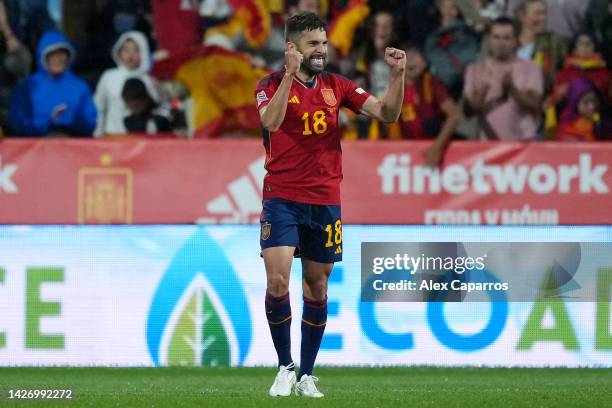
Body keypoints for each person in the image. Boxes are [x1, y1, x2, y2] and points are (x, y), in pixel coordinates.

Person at [254, 12, 405, 398]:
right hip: (281, 197)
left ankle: (306, 375)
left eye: (323, 43)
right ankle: (284, 367)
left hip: (324, 200)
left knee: (317, 288)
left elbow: (388, 114)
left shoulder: (337, 86)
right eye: (313, 44)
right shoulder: (268, 85)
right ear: (293, 48)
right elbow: (271, 123)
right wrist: (288, 76)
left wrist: (398, 75)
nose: (322, 50)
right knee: (277, 279)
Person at [463, 17, 544, 140]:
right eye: (496, 37)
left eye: (506, 38)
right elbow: (468, 112)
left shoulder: (530, 67)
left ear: (516, 40)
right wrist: (483, 92)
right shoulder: (474, 69)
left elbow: (535, 104)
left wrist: (512, 90)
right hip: (487, 143)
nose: (500, 43)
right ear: (489, 39)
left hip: (523, 144)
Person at [9, 30, 96, 137]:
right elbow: (18, 120)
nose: (58, 59)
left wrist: (72, 120)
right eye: (52, 55)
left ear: (69, 57)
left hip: (71, 145)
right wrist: (48, 121)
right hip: (35, 146)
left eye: (62, 54)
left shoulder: (80, 86)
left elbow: (91, 121)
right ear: (43, 57)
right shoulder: (29, 85)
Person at [399, 46, 459, 166]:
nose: (410, 61)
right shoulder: (392, 89)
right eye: (407, 57)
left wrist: (437, 148)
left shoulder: (432, 84)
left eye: (415, 56)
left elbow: (455, 116)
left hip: (432, 153)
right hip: (402, 157)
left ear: (424, 63)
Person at [94, 31, 159, 136]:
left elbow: (156, 110)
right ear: (119, 52)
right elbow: (99, 107)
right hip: (112, 136)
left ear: (143, 52)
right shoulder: (109, 76)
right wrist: (97, 132)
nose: (130, 55)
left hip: (142, 140)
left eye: (136, 50)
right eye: (126, 50)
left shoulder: (150, 80)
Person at [556, 77, 603, 141]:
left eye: (594, 100)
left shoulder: (601, 123)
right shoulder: (567, 129)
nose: (592, 106)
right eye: (585, 102)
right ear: (574, 103)